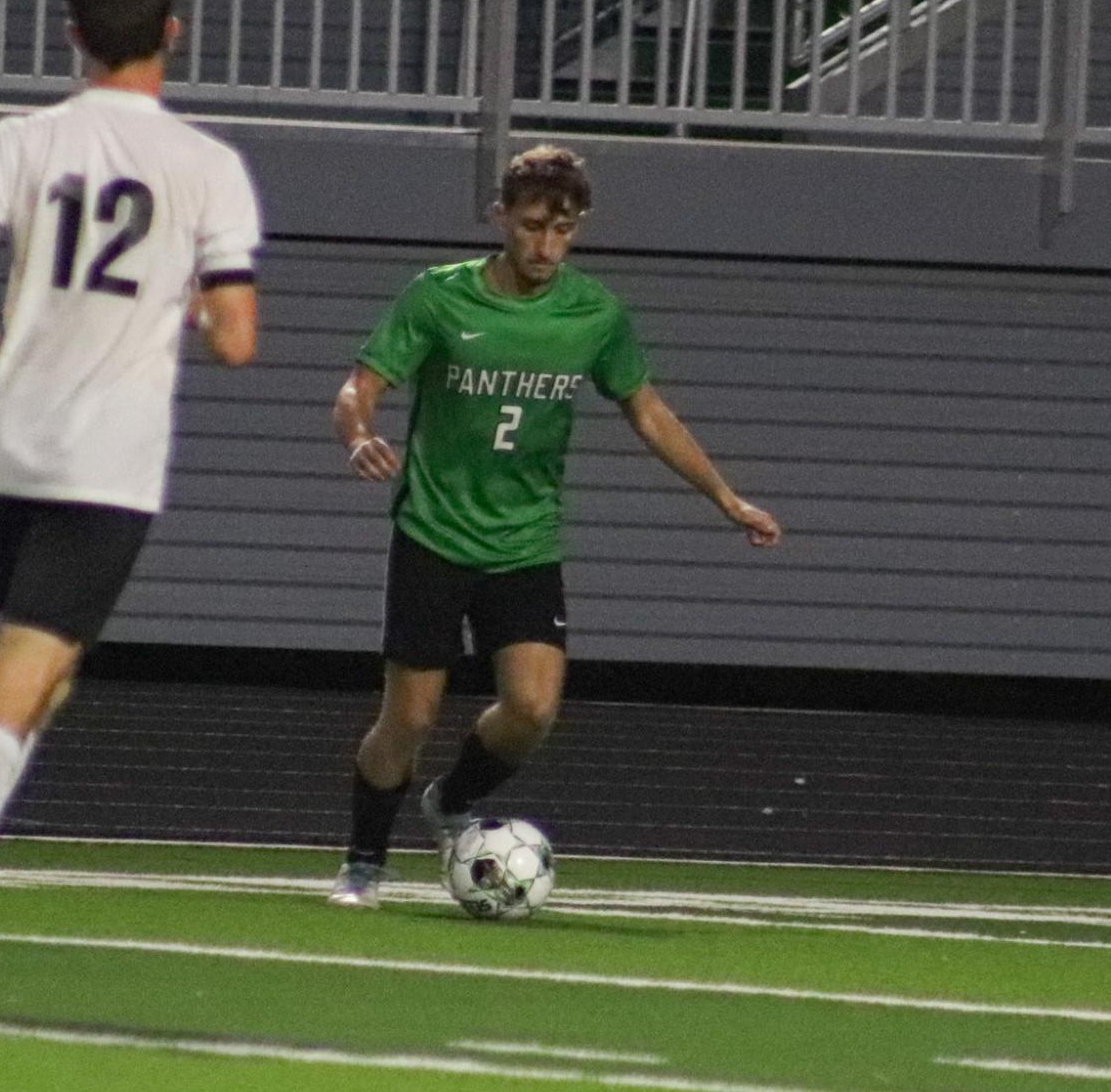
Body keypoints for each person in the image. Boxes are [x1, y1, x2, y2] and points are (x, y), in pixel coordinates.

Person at [0, 0, 262, 1005]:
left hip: (5, 446)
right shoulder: (207, 167)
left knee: (42, 675)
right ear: (172, 33)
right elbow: (236, 338)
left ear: (74, 35)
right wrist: (184, 300)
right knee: (21, 680)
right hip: (103, 460)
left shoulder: (23, 138)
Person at [326, 145, 781, 908]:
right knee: (407, 715)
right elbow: (358, 385)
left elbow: (647, 409)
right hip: (435, 533)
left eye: (561, 230)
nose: (544, 245)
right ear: (499, 216)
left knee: (533, 709)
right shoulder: (438, 299)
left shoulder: (593, 315)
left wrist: (724, 496)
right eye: (531, 225)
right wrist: (358, 432)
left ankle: (450, 800)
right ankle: (363, 859)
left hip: (524, 541)